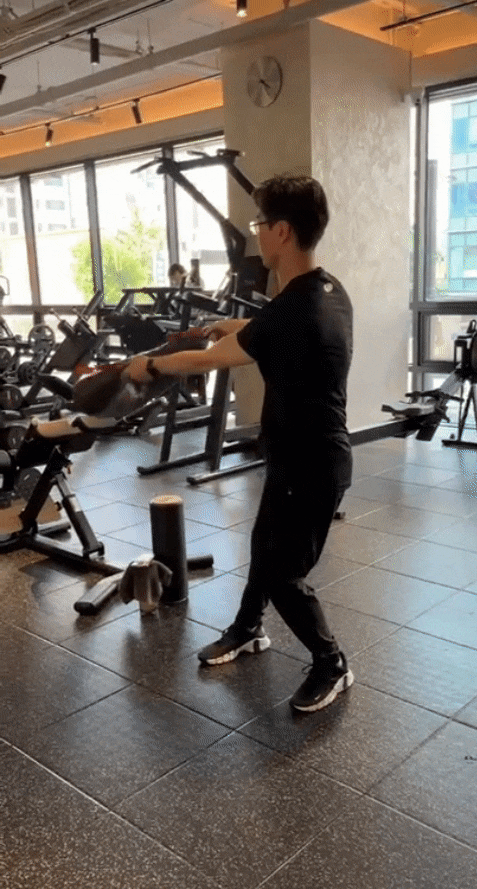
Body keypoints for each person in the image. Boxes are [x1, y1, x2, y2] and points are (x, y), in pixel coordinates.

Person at [123, 174, 354, 713]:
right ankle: (249, 627)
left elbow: (210, 362)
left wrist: (149, 364)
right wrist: (231, 323)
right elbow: (274, 325)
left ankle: (332, 663)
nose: (256, 233)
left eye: (259, 224)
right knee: (262, 543)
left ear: (282, 231)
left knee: (284, 574)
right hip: (300, 458)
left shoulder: (291, 312)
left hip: (313, 467)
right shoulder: (328, 291)